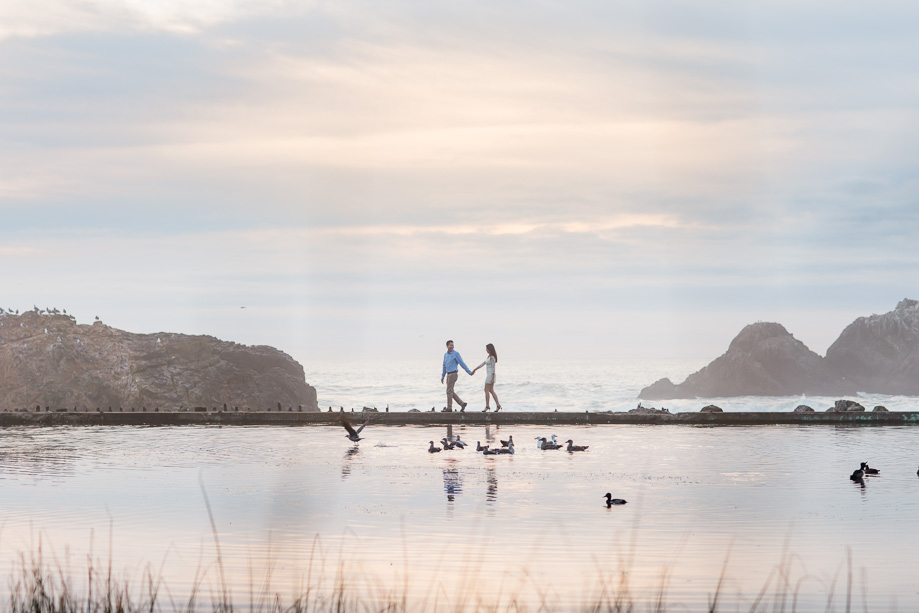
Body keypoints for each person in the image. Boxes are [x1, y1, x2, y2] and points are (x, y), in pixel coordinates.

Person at [441, 340, 472, 411]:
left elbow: (461, 363)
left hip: (453, 374)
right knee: (450, 391)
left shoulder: (456, 354)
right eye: (450, 345)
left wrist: (469, 371)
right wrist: (443, 376)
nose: (452, 346)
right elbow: (444, 366)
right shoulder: (445, 355)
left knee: (449, 391)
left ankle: (449, 408)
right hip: (448, 374)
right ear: (447, 346)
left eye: (453, 345)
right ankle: (462, 404)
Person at [471, 343, 501, 412]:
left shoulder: (492, 357)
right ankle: (498, 405)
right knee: (491, 390)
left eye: (486, 349)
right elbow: (482, 364)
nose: (486, 350)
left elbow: (493, 368)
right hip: (489, 375)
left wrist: (492, 378)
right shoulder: (489, 357)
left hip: (491, 375)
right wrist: (475, 369)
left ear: (489, 349)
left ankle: (487, 406)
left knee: (486, 390)